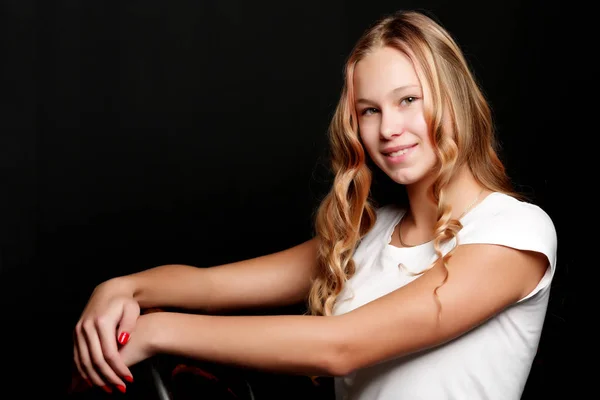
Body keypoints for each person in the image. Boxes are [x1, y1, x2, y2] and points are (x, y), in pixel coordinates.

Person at [72, 9, 557, 400]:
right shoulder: (365, 237)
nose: (387, 129)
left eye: (408, 100)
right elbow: (211, 284)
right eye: (369, 110)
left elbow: (340, 347)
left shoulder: (514, 232)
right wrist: (124, 288)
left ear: (452, 100)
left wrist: (157, 330)